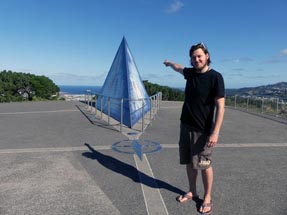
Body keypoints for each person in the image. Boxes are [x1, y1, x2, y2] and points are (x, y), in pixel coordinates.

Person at [163, 42, 225, 215]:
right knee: (189, 162)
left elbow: (221, 106)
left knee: (204, 164)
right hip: (185, 126)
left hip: (203, 130)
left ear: (207, 56)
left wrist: (215, 132)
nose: (196, 59)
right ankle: (192, 191)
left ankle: (207, 197)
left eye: (199, 56)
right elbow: (179, 68)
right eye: (193, 57)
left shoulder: (215, 77)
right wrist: (169, 63)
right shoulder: (190, 73)